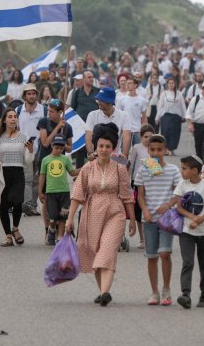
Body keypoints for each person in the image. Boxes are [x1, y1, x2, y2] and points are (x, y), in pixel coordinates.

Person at [65, 123, 136, 306]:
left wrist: (132, 220)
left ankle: (105, 292)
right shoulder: (87, 168)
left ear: (113, 148)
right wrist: (69, 219)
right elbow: (77, 195)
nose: (104, 150)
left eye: (108, 146)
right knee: (95, 251)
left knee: (107, 250)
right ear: (96, 147)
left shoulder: (120, 169)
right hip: (92, 213)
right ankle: (103, 291)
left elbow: (127, 196)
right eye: (101, 146)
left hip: (115, 212)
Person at [135, 133, 181, 306]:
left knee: (165, 253)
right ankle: (154, 291)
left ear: (165, 150)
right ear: (148, 150)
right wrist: (145, 210)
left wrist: (168, 204)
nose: (155, 153)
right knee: (152, 256)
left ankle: (166, 289)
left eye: (159, 150)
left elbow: (179, 193)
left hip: (167, 219)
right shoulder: (143, 169)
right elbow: (139, 195)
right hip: (149, 219)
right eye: (152, 150)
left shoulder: (173, 170)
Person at [171, 155, 204, 309]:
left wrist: (200, 219)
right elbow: (179, 206)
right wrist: (192, 217)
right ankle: (186, 294)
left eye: (184, 169)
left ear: (194, 170)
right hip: (187, 231)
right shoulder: (183, 184)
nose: (182, 171)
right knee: (188, 262)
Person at [0, 109, 32, 247]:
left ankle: (15, 228)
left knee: (18, 201)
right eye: (10, 117)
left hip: (18, 172)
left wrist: (30, 151)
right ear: (4, 120)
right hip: (2, 173)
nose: (13, 119)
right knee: (3, 205)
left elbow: (28, 160)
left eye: (15, 117)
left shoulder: (23, 137)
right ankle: (8, 235)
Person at [38, 134, 79, 244]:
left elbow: (72, 172)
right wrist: (40, 191)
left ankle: (60, 237)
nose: (59, 150)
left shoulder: (65, 159)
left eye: (61, 148)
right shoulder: (45, 160)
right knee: (52, 216)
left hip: (64, 191)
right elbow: (42, 176)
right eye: (57, 148)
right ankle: (51, 229)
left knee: (63, 215)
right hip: (51, 191)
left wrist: (86, 167)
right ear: (52, 146)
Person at [17, 84, 46, 217]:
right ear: (24, 96)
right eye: (29, 94)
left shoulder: (44, 110)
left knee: (37, 179)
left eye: (33, 93)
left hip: (40, 150)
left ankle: (33, 206)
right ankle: (27, 204)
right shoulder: (18, 110)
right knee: (27, 178)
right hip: (24, 151)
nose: (31, 96)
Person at [85, 87, 133, 163]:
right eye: (98, 100)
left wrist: (124, 155)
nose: (98, 102)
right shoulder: (92, 115)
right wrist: (90, 153)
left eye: (101, 100)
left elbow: (127, 137)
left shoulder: (124, 116)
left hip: (115, 158)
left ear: (110, 102)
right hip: (96, 158)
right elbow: (88, 135)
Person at [129, 124, 156, 249]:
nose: (148, 139)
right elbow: (131, 164)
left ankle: (152, 237)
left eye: (151, 136)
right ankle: (142, 239)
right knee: (139, 211)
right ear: (141, 137)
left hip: (151, 183)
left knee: (150, 210)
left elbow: (157, 169)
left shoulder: (155, 149)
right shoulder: (136, 147)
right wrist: (128, 182)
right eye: (145, 136)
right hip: (137, 182)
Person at [157, 77, 187, 153]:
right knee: (165, 132)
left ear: (175, 84)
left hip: (176, 116)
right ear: (167, 84)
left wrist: (185, 116)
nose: (171, 84)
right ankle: (165, 148)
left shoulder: (179, 94)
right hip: (166, 116)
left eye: (172, 83)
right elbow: (160, 105)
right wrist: (158, 116)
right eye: (169, 83)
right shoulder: (164, 93)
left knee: (175, 133)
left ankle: (172, 148)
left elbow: (182, 105)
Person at [117, 77, 149, 146]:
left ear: (135, 85)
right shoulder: (121, 99)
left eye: (129, 83)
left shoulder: (142, 100)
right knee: (124, 153)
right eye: (127, 83)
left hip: (137, 130)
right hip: (125, 130)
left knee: (137, 152)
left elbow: (144, 117)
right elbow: (118, 115)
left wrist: (144, 131)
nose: (127, 85)